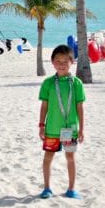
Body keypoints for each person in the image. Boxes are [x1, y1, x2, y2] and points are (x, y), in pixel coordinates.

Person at [38, 44, 86, 199]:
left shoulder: (77, 83)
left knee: (70, 157)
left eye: (65, 60)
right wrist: (41, 125)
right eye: (57, 60)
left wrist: (82, 129)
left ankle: (71, 189)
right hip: (51, 129)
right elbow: (44, 106)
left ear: (72, 62)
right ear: (52, 62)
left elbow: (80, 107)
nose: (61, 64)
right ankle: (47, 188)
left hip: (70, 130)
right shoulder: (48, 83)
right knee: (48, 158)